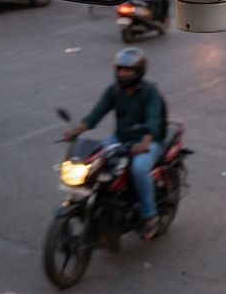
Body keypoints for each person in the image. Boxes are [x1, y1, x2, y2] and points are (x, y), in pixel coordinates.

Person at [63, 47, 165, 240]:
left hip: (147, 142)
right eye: (120, 69)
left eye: (128, 70)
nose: (123, 73)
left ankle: (150, 216)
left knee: (138, 169)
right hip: (120, 139)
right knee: (95, 162)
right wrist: (76, 131)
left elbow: (153, 119)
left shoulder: (150, 92)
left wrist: (145, 141)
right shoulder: (114, 90)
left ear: (139, 72)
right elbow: (96, 114)